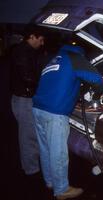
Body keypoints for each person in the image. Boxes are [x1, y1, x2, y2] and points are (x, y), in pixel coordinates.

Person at [32, 39, 103, 200]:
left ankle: (50, 182)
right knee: (59, 153)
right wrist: (97, 95)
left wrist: (77, 89)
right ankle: (62, 190)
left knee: (46, 149)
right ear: (83, 52)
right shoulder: (76, 58)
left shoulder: (56, 58)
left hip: (38, 108)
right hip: (54, 113)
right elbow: (98, 80)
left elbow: (60, 81)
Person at [10, 25, 45, 177]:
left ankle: (32, 166)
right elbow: (28, 78)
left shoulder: (24, 51)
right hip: (24, 99)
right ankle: (31, 170)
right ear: (32, 37)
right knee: (28, 136)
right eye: (40, 39)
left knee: (29, 135)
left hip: (22, 98)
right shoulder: (23, 52)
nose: (42, 43)